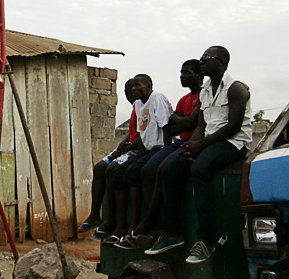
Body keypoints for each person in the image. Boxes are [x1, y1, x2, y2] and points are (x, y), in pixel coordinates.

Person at [146, 46, 252, 264]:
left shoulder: (236, 89)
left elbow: (233, 126)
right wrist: (191, 146)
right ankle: (172, 233)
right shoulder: (205, 91)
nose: (202, 62)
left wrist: (200, 145)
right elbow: (202, 124)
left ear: (221, 62)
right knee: (169, 169)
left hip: (232, 143)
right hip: (209, 140)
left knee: (199, 169)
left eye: (207, 58)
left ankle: (206, 240)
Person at [121, 60, 202, 249]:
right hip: (181, 141)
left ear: (199, 76)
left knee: (160, 170)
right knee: (143, 171)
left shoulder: (202, 97)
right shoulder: (183, 100)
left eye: (187, 73)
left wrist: (179, 123)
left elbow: (188, 123)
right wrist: (181, 121)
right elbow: (176, 123)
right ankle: (148, 222)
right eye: (181, 73)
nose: (182, 76)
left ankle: (158, 225)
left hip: (191, 142)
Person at [105, 74, 173, 243]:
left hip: (160, 147)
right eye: (133, 86)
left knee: (140, 172)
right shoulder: (138, 104)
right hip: (148, 148)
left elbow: (166, 127)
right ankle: (122, 224)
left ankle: (141, 223)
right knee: (119, 172)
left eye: (138, 85)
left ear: (149, 86)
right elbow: (143, 133)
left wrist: (166, 153)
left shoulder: (156, 98)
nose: (134, 89)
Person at [77, 79, 138, 235]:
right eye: (128, 91)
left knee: (112, 170)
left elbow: (147, 135)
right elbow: (131, 133)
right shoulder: (135, 108)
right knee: (99, 168)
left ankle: (112, 219)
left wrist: (128, 146)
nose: (130, 94)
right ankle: (95, 215)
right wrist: (121, 146)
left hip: (138, 148)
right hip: (130, 145)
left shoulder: (146, 107)